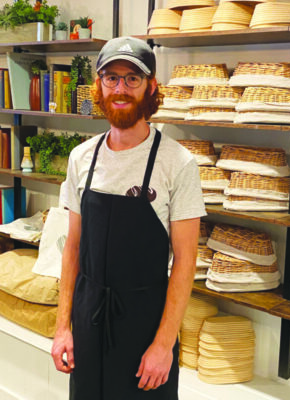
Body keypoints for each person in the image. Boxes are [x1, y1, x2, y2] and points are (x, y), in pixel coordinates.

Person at [51, 36, 206, 399]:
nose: (121, 88)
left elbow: (185, 262)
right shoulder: (81, 158)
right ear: (99, 87)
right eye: (111, 78)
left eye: (132, 78)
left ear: (151, 86)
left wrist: (163, 345)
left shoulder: (177, 163)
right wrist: (63, 327)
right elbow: (72, 249)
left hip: (145, 326)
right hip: (88, 322)